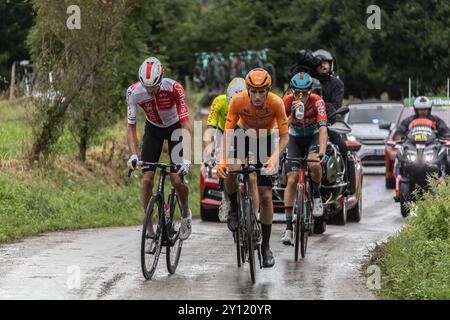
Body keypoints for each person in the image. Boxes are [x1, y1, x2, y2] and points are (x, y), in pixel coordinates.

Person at [216, 68, 289, 267]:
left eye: (261, 91)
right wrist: (222, 159)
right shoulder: (238, 101)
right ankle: (232, 208)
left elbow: (284, 137)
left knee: (266, 194)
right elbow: (228, 132)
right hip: (242, 135)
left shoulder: (276, 103)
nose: (257, 96)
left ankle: (265, 247)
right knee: (232, 168)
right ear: (247, 90)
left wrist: (274, 158)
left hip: (265, 139)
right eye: (253, 91)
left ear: (268, 90)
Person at [126, 57, 192, 241]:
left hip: (175, 129)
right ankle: (149, 229)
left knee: (177, 179)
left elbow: (186, 126)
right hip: (153, 130)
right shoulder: (133, 93)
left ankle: (186, 213)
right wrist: (133, 154)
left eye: (154, 87)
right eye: (147, 88)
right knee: (147, 179)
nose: (150, 91)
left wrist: (186, 159)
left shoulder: (174, 88)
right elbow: (131, 126)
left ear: (161, 79)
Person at [280, 72, 329, 245]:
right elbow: (279, 128)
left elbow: (323, 128)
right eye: (297, 93)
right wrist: (291, 115)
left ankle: (316, 195)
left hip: (313, 136)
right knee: (291, 179)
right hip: (294, 137)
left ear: (310, 91)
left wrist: (322, 151)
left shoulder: (317, 101)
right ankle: (288, 228)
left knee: (313, 163)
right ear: (292, 91)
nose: (300, 96)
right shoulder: (286, 101)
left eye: (304, 93)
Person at [205, 78, 248, 222]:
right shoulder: (219, 101)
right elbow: (211, 128)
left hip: (245, 131)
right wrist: (210, 148)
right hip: (224, 132)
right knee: (222, 162)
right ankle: (226, 199)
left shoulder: (251, 101)